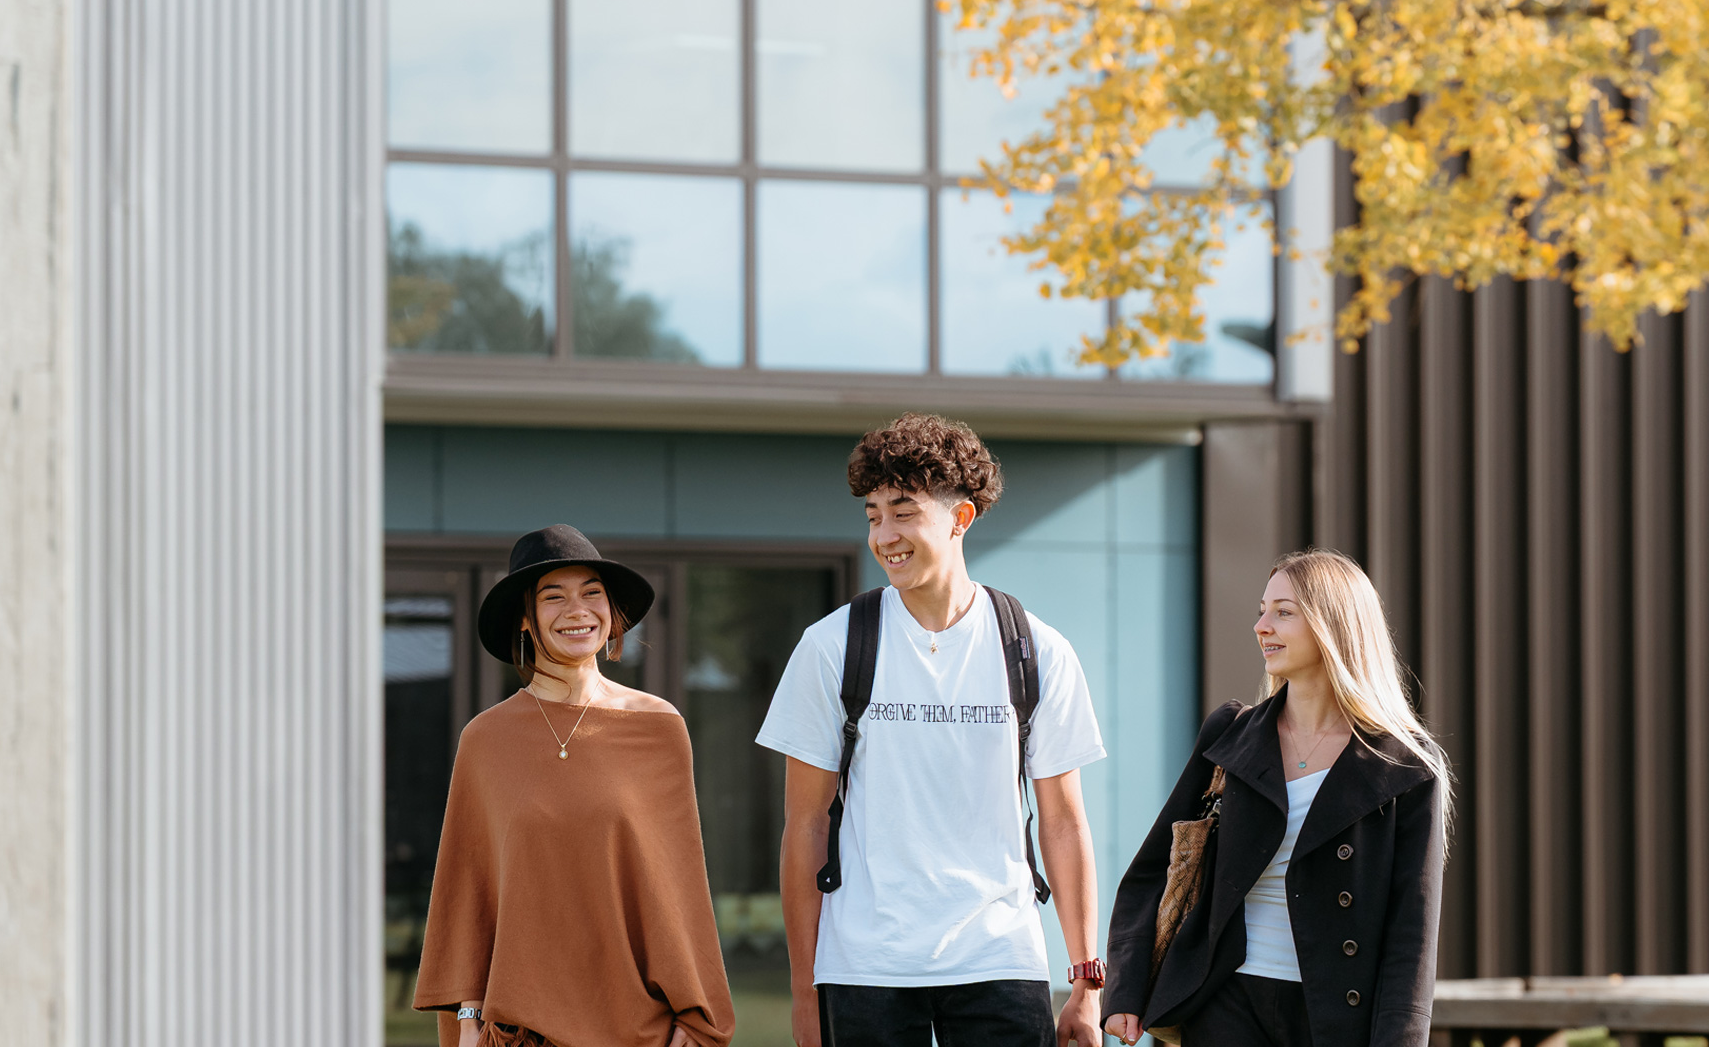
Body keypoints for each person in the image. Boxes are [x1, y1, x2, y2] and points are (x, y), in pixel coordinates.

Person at [756, 413, 1108, 1047]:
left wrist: (1086, 983)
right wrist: (804, 991)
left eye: (903, 511)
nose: (884, 535)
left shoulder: (1035, 651)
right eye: (872, 516)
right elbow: (805, 826)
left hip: (1002, 961)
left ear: (960, 518)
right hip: (864, 969)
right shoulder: (832, 647)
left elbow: (1063, 820)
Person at [1102, 549, 1449, 1047]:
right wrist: (1126, 989)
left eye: (1283, 612)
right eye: (1262, 610)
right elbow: (1152, 870)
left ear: (1337, 625)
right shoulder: (1232, 733)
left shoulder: (1406, 767)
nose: (1262, 626)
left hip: (1336, 1016)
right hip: (1224, 1001)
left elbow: (1411, 935)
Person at [413, 524, 735, 1047]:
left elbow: (680, 892)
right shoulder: (486, 740)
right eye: (553, 596)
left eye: (592, 593)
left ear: (612, 613)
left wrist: (693, 1023)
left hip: (639, 1031)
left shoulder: (659, 728)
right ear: (524, 615)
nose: (577, 610)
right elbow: (468, 891)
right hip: (521, 1033)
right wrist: (468, 1020)